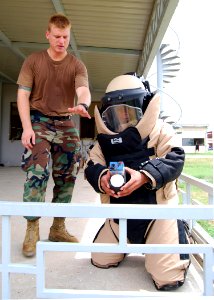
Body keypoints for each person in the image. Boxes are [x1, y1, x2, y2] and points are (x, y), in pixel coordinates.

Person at [84, 74, 190, 291]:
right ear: (106, 114)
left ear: (144, 105)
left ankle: (179, 231)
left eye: (130, 111)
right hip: (119, 219)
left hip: (158, 217)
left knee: (168, 278)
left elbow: (175, 159)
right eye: (115, 113)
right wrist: (102, 177)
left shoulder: (161, 130)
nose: (123, 119)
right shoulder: (103, 143)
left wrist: (144, 176)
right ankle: (128, 243)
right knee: (100, 259)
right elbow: (90, 166)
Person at [17, 13, 91, 257]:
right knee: (37, 170)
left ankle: (58, 227)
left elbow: (83, 89)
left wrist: (83, 104)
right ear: (47, 35)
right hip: (38, 120)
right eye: (57, 36)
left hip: (64, 122)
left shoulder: (76, 64)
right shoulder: (33, 61)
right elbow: (22, 96)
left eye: (66, 37)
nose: (61, 41)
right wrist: (27, 128)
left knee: (69, 172)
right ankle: (32, 228)